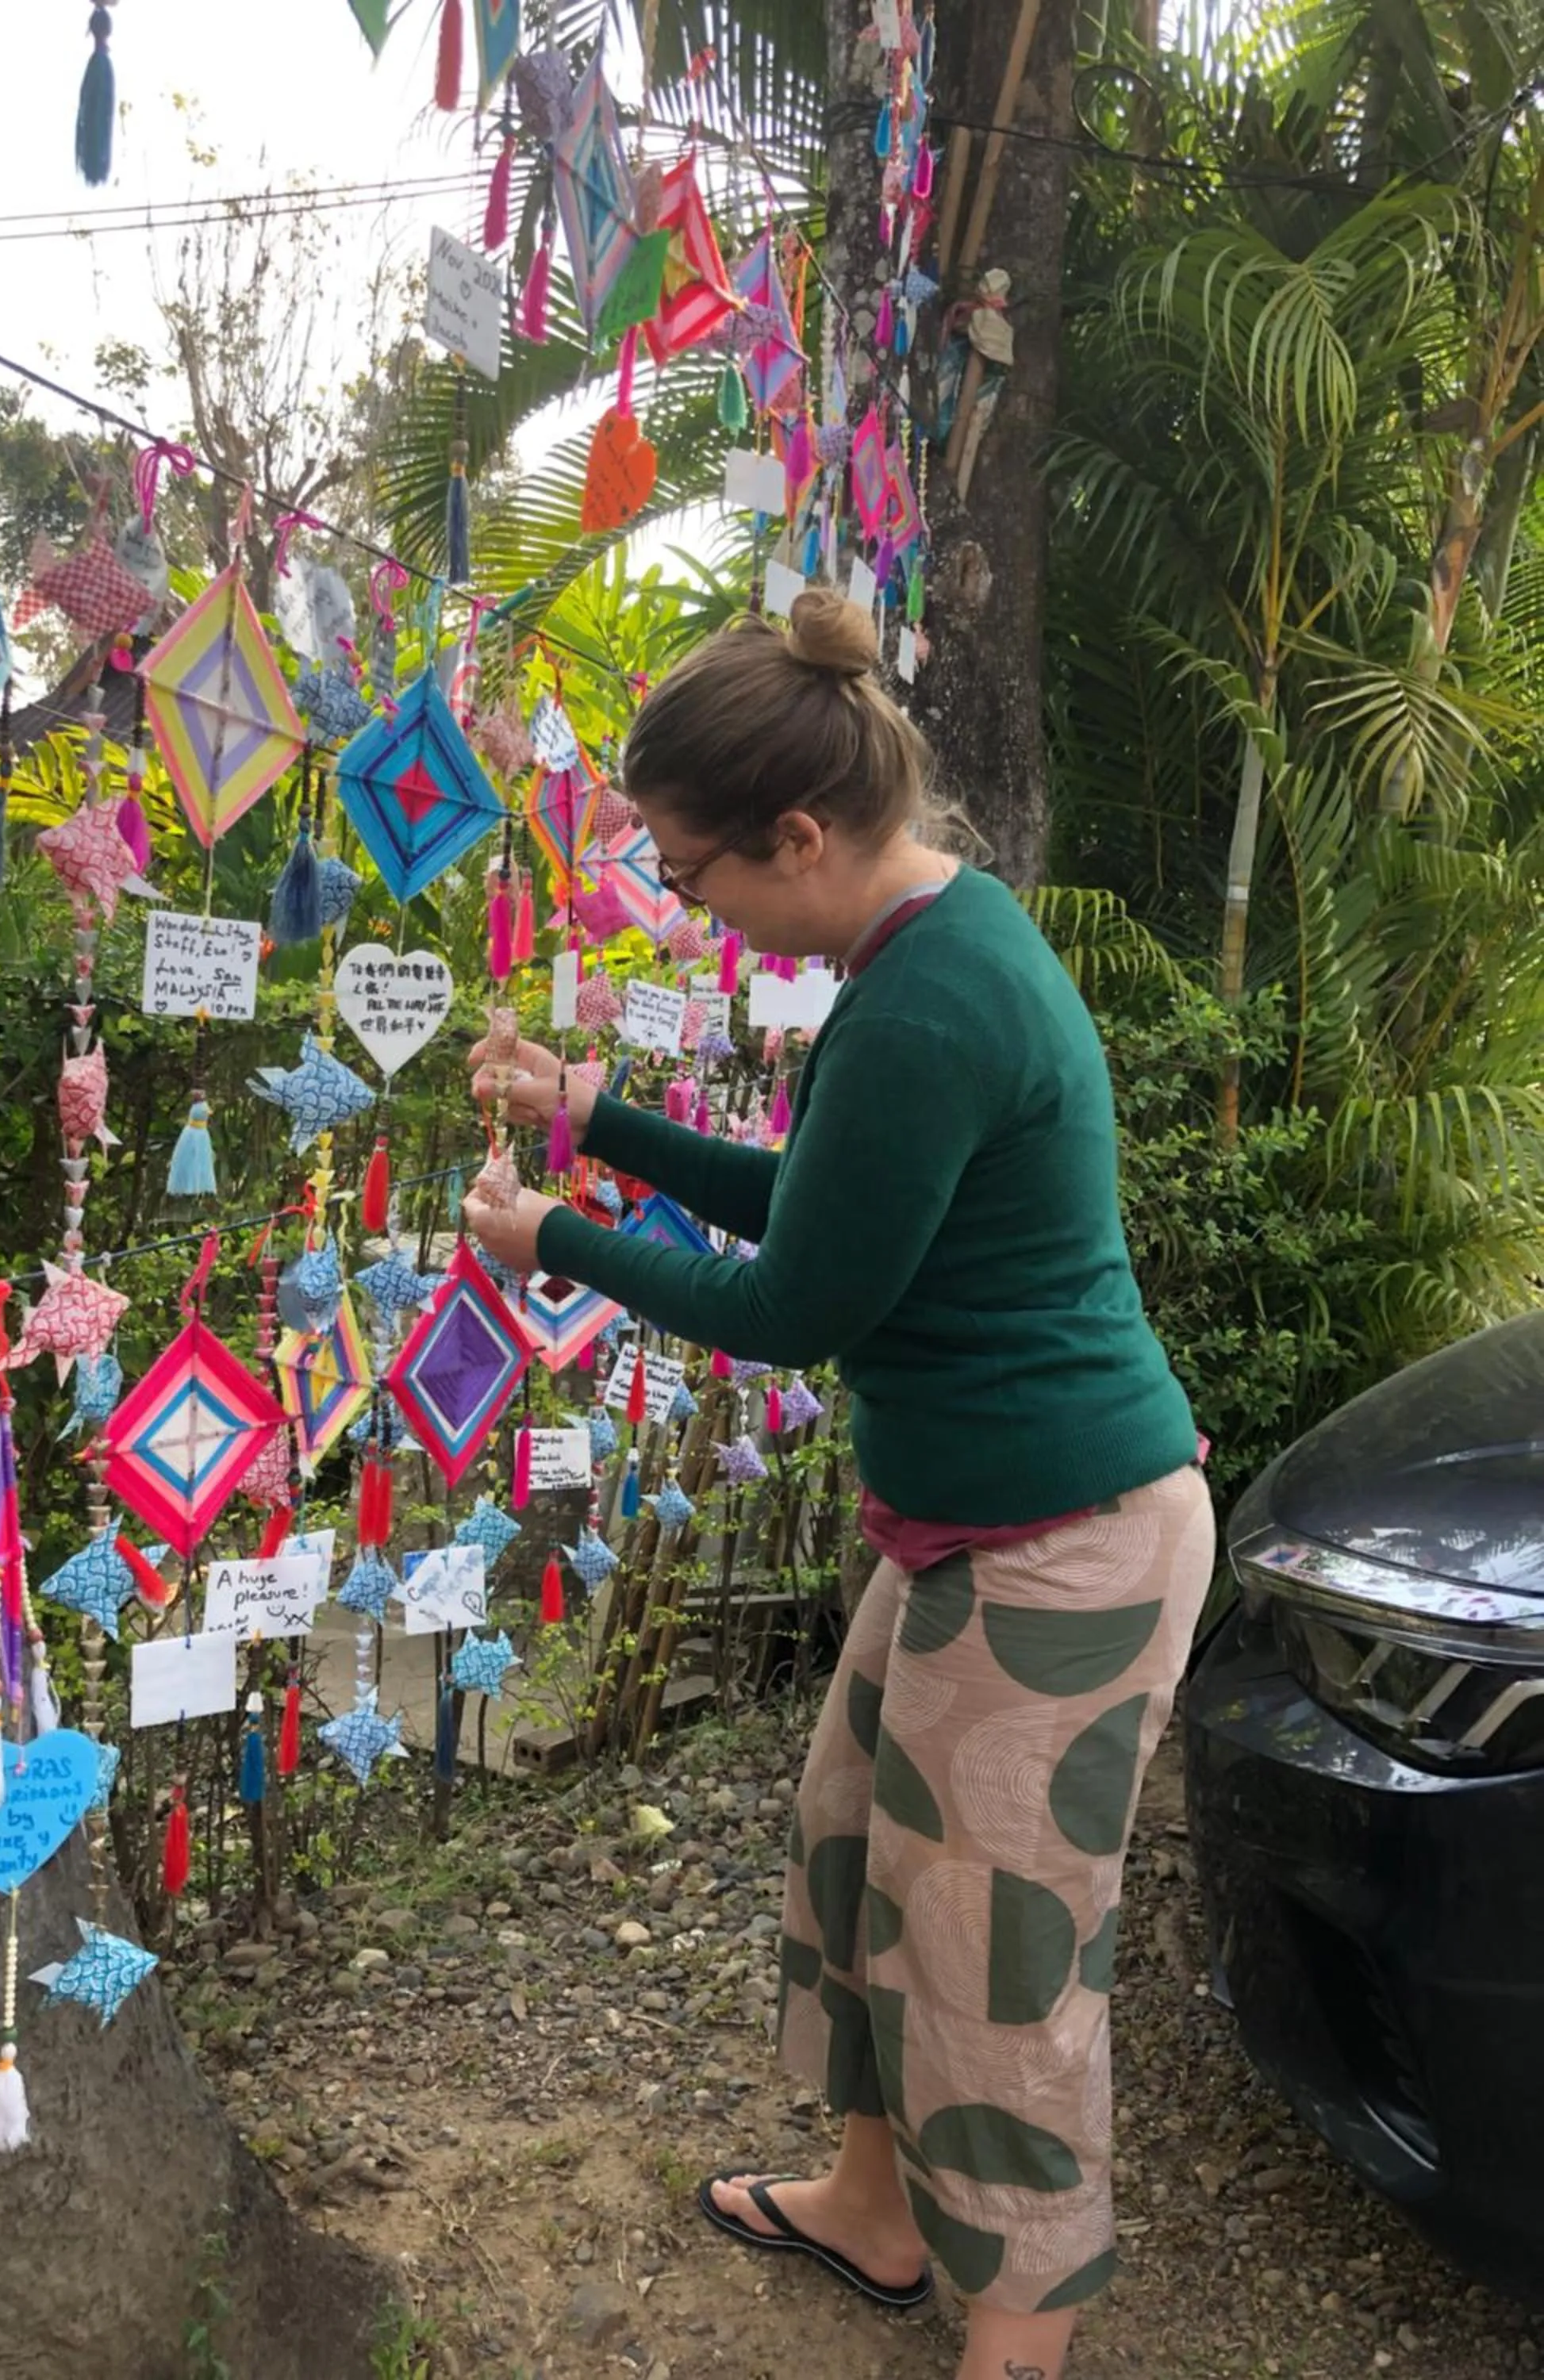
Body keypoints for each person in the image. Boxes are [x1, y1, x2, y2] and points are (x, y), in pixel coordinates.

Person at [461, 590, 1213, 2380]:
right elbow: (829, 1208)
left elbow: (798, 1302)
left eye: (694, 870)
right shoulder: (928, 952)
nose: (689, 899)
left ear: (797, 835)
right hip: (976, 1528)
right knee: (855, 1849)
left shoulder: (928, 1005)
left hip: (1063, 1548)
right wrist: (603, 1122)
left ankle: (1016, 2343)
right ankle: (882, 2216)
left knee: (994, 1954)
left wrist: (554, 1233)